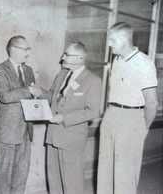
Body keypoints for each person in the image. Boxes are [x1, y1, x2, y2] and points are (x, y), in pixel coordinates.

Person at [97, 22, 158, 194]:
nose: (109, 44)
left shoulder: (144, 63)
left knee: (125, 172)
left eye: (112, 39)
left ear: (125, 38)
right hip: (111, 114)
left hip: (132, 117)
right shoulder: (116, 60)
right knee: (105, 169)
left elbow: (152, 102)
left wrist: (144, 126)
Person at [45, 42, 102, 194]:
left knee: (72, 183)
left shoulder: (93, 80)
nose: (62, 57)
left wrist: (64, 117)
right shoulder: (62, 74)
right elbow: (53, 96)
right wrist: (39, 92)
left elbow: (92, 111)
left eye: (66, 54)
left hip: (72, 137)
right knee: (54, 180)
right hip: (53, 135)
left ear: (80, 58)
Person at [0, 35, 42, 194]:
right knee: (4, 174)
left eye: (28, 49)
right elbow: (5, 96)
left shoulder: (28, 70)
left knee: (22, 173)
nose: (28, 53)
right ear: (12, 49)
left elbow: (31, 97)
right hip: (7, 131)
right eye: (24, 49)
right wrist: (28, 90)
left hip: (26, 131)